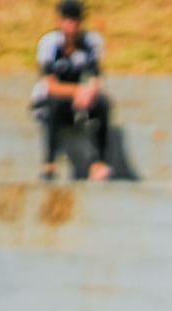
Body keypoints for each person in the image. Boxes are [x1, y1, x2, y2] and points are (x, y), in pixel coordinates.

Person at [32, 0, 114, 181]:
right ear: (59, 21)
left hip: (79, 98)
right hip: (52, 98)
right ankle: (49, 163)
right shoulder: (50, 44)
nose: (71, 26)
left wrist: (88, 92)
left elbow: (96, 79)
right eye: (67, 21)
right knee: (56, 104)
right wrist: (78, 91)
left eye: (75, 21)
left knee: (103, 104)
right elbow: (51, 86)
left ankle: (99, 162)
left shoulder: (91, 42)